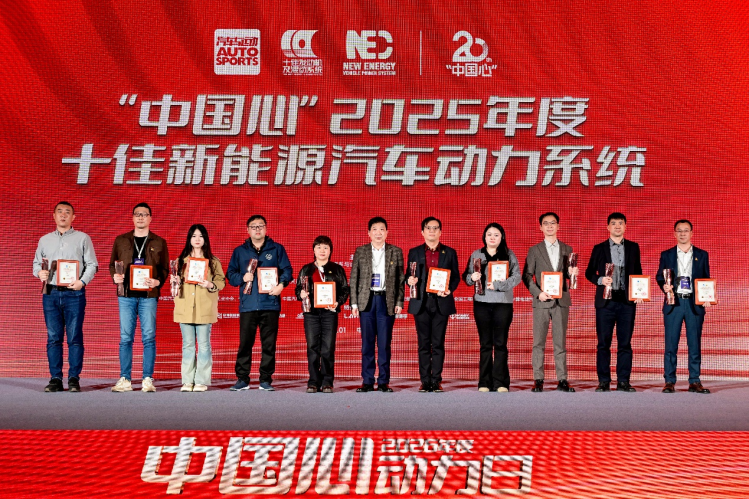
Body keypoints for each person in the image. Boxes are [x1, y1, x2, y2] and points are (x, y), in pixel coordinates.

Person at [33, 201, 98, 393]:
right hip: (51, 292)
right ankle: (55, 378)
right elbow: (36, 264)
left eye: (67, 212)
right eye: (59, 212)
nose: (63, 215)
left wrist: (82, 282)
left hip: (74, 293)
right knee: (53, 337)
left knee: (74, 337)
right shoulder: (44, 240)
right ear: (54, 216)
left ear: (73, 217)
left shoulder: (83, 238)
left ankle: (74, 379)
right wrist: (39, 273)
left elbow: (92, 264)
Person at [226, 215, 292, 392]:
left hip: (270, 304)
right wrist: (243, 277)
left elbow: (287, 270)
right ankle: (242, 379)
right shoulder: (240, 251)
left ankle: (265, 380)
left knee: (269, 345)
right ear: (247, 230)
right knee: (245, 344)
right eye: (253, 226)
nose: (257, 229)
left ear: (266, 228)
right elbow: (230, 275)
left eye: (260, 226)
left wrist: (281, 285)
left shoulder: (277, 249)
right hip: (248, 305)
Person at [109, 202, 169, 393]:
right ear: (133, 217)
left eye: (144, 214)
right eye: (137, 214)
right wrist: (115, 276)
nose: (141, 217)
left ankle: (147, 379)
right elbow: (112, 264)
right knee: (125, 338)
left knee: (149, 337)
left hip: (148, 296)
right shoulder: (121, 240)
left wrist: (158, 281)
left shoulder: (159, 242)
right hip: (126, 295)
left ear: (150, 218)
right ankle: (125, 379)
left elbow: (165, 269)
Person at [584, 213, 643, 393]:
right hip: (605, 303)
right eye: (613, 223)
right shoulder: (599, 248)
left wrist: (639, 291)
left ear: (625, 226)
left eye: (620, 223)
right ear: (608, 227)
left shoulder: (633, 247)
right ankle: (603, 381)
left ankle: (623, 381)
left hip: (626, 303)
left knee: (625, 343)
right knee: (603, 343)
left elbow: (638, 273)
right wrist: (600, 280)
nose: (617, 226)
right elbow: (588, 272)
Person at [522, 212, 578, 393]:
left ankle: (562, 379)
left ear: (558, 226)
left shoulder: (567, 248)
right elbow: (527, 275)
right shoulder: (534, 250)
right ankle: (538, 379)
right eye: (546, 223)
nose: (549, 226)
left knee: (560, 343)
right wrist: (538, 293)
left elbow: (568, 275)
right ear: (541, 227)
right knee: (538, 342)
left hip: (561, 301)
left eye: (553, 223)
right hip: (541, 301)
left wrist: (572, 273)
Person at [656, 220, 713, 394]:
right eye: (679, 231)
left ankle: (694, 381)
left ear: (691, 233)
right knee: (670, 344)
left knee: (694, 344)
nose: (682, 234)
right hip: (674, 303)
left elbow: (705, 278)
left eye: (686, 230)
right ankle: (669, 381)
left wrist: (706, 296)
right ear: (674, 234)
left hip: (694, 304)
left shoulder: (702, 255)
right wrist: (664, 286)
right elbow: (660, 276)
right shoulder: (666, 254)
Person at [463, 223, 521, 392]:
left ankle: (501, 382)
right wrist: (472, 277)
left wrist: (498, 285)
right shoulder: (477, 254)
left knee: (501, 343)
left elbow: (517, 276)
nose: (492, 237)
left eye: (496, 234)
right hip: (482, 303)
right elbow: (467, 277)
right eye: (489, 234)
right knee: (485, 344)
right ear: (484, 237)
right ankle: (484, 382)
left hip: (503, 303)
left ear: (502, 237)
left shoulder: (509, 255)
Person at [349, 217, 405, 393]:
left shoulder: (396, 251)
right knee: (367, 343)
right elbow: (354, 278)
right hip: (367, 301)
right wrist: (354, 303)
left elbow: (400, 279)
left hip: (386, 301)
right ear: (369, 233)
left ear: (387, 232)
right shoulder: (361, 251)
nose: (378, 233)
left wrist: (399, 301)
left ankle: (383, 381)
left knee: (384, 343)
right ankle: (367, 380)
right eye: (374, 229)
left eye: (382, 229)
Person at [406, 217, 460, 393]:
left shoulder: (449, 252)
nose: (432, 231)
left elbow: (455, 277)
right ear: (422, 232)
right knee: (423, 344)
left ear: (440, 232)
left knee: (437, 344)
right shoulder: (414, 252)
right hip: (421, 302)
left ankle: (436, 380)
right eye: (428, 228)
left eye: (435, 228)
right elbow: (408, 275)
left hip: (441, 302)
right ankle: (425, 381)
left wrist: (449, 289)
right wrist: (409, 280)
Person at [171, 224, 225, 392]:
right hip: (185, 307)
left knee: (204, 345)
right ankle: (187, 381)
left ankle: (201, 380)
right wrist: (175, 282)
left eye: (200, 236)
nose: (197, 239)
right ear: (189, 239)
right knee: (188, 345)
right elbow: (174, 284)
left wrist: (210, 284)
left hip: (205, 308)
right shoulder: (180, 261)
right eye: (194, 236)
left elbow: (221, 282)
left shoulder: (213, 261)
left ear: (205, 239)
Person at [295, 236, 350, 393]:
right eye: (319, 247)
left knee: (327, 348)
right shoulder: (306, 269)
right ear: (314, 250)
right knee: (312, 347)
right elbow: (298, 289)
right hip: (311, 313)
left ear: (330, 250)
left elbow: (345, 289)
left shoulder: (337, 269)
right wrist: (301, 294)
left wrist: (338, 302)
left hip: (329, 313)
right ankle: (313, 381)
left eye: (326, 247)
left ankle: (327, 382)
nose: (322, 251)